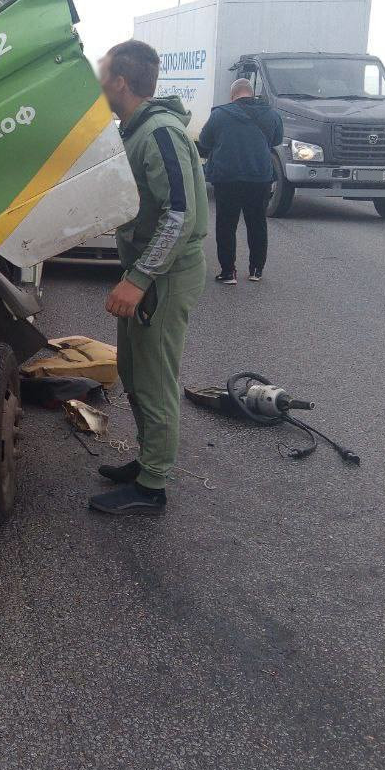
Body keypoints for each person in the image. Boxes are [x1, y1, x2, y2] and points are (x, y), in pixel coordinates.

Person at [88, 40, 207, 516]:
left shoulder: (159, 131)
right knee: (133, 372)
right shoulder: (135, 129)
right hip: (148, 272)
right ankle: (145, 461)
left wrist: (138, 279)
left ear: (120, 81)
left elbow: (180, 214)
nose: (97, 81)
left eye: (102, 73)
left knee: (155, 378)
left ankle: (152, 485)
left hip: (164, 276)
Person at [197, 78, 283, 284]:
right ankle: (256, 270)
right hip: (260, 178)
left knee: (226, 225)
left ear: (233, 95)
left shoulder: (220, 114)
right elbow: (277, 140)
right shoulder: (272, 114)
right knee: (257, 223)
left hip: (227, 178)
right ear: (251, 94)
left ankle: (228, 272)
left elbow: (204, 141)